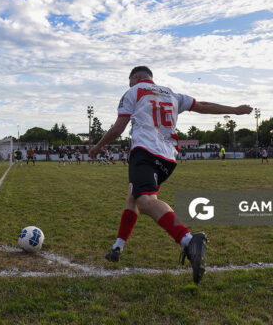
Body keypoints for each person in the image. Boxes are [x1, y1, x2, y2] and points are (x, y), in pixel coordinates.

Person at [89, 66, 252, 284]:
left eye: (130, 81)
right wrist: (234, 109)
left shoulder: (133, 92)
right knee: (133, 196)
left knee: (145, 201)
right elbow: (202, 106)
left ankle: (188, 240)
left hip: (145, 151)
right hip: (168, 158)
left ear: (136, 78)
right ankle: (117, 248)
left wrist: (99, 146)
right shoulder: (173, 94)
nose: (129, 84)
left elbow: (119, 128)